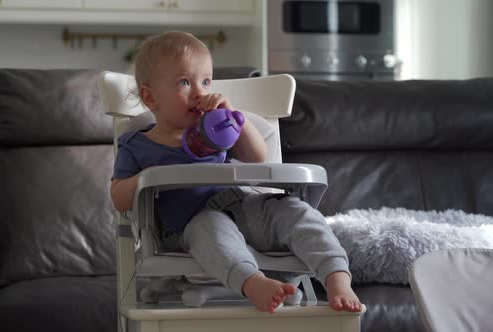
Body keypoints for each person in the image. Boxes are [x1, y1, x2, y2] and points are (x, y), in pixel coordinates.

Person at [110, 31, 362, 313]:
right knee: (213, 232)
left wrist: (233, 120)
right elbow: (120, 198)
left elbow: (257, 157)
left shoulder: (214, 131)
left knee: (295, 210)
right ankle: (254, 283)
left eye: (206, 81)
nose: (200, 92)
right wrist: (148, 176)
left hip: (244, 204)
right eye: (184, 82)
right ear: (150, 97)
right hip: (192, 223)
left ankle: (336, 277)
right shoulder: (138, 145)